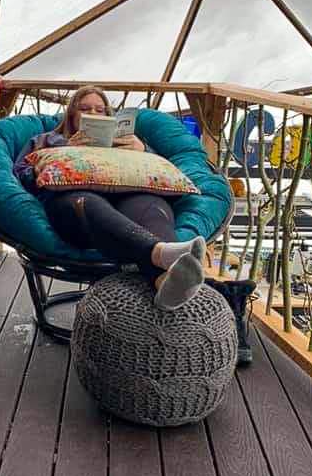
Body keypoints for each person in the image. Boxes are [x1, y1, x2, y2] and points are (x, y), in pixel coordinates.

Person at [13, 85, 206, 311]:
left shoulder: (130, 142)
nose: (93, 114)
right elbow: (20, 172)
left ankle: (163, 281)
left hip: (128, 198)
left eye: (100, 110)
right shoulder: (46, 140)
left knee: (152, 205)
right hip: (76, 206)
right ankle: (161, 253)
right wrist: (66, 151)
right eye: (85, 108)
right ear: (71, 113)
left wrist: (143, 149)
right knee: (88, 202)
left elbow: (157, 171)